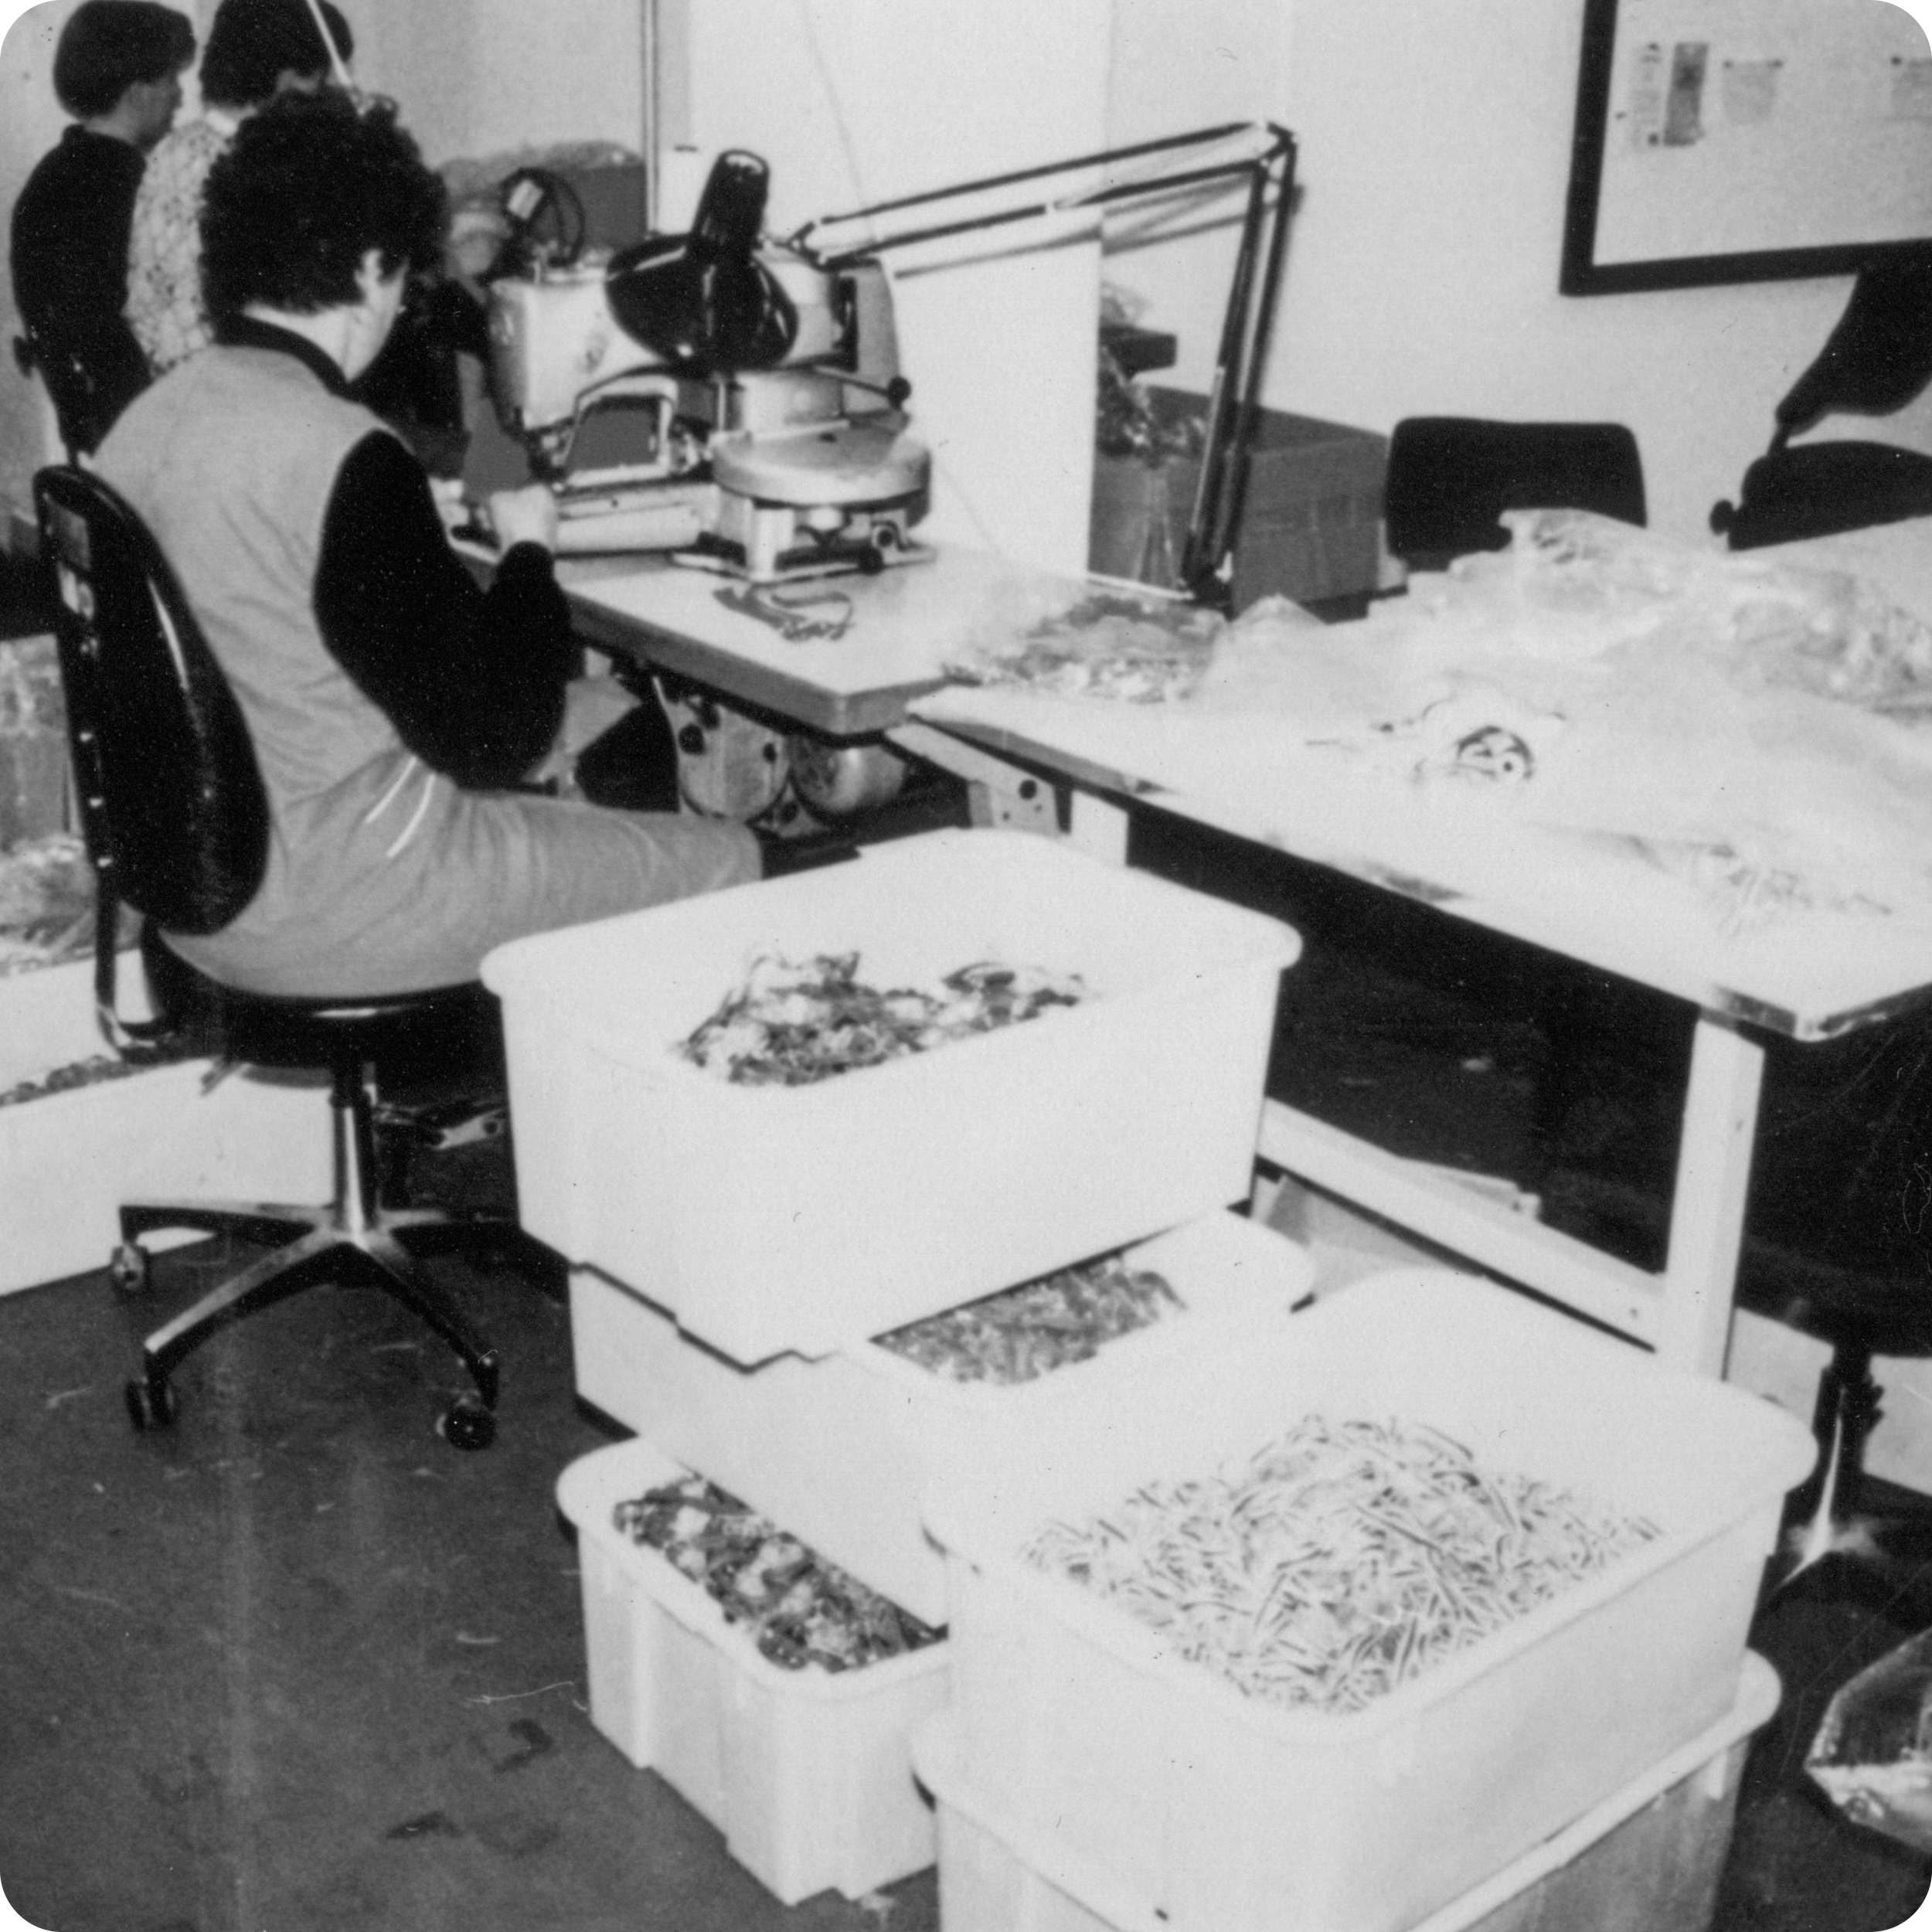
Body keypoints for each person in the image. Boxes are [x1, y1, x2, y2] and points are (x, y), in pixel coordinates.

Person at [95, 88, 764, 999]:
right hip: (356, 900)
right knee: (728, 859)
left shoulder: (146, 422)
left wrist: (416, 535)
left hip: (196, 897)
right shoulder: (343, 455)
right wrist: (528, 552)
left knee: (601, 717)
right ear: (375, 266)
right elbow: (495, 738)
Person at [124, 0, 352, 377]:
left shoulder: (175, 148)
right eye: (319, 81)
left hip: (176, 385)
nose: (326, 97)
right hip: (233, 384)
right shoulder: (254, 166)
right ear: (286, 81)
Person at [9, 0, 195, 454]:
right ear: (137, 91)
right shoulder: (130, 187)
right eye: (171, 80)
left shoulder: (54, 173)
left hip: (89, 430)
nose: (180, 96)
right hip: (140, 434)